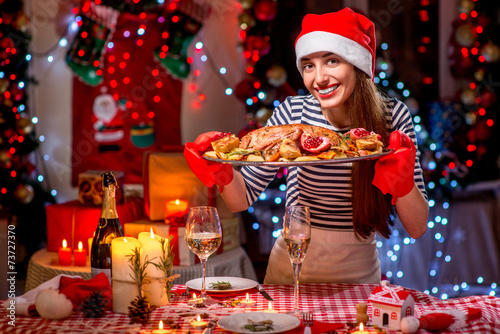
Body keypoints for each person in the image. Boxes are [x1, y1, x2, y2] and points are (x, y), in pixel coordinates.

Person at [184, 7, 429, 284]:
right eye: (309, 65)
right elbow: (241, 199)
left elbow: (418, 226)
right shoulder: (293, 113)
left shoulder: (392, 116)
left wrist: (404, 183)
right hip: (290, 266)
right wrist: (222, 172)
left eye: (332, 61)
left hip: (359, 274)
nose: (319, 78)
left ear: (357, 63)